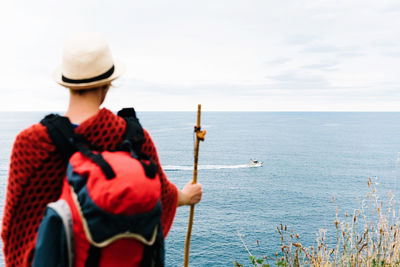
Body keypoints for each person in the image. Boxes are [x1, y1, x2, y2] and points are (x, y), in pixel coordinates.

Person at [1, 32, 203, 266]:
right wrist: (186, 197)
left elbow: (16, 229)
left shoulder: (32, 143)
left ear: (66, 83)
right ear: (107, 85)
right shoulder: (134, 138)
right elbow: (161, 194)